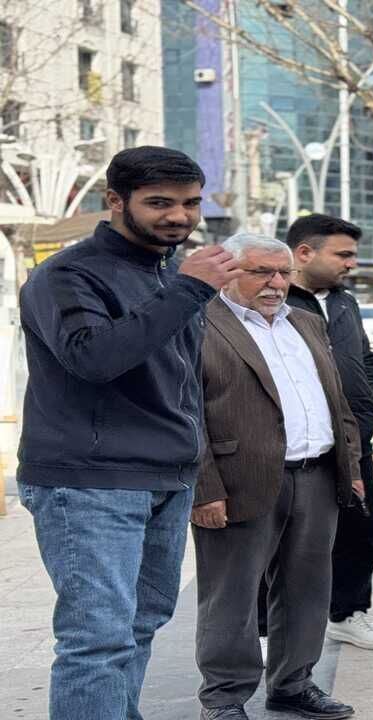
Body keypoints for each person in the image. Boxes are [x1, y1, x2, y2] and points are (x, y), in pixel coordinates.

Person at [17, 147, 240, 720]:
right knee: (97, 638)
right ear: (115, 201)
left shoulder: (166, 272)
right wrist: (189, 289)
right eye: (160, 203)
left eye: (190, 203)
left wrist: (198, 466)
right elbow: (93, 359)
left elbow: (184, 381)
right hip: (90, 480)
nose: (180, 216)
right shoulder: (67, 274)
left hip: (166, 476)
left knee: (140, 625)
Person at [191, 234, 363, 720]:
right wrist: (205, 489)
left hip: (317, 475)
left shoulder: (306, 322)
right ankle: (224, 697)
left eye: (283, 273)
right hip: (238, 480)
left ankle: (293, 685)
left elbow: (336, 399)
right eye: (261, 272)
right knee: (231, 595)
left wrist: (349, 466)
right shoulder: (199, 323)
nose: (275, 283)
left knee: (308, 588)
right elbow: (186, 414)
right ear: (230, 272)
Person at [283, 214, 373, 651]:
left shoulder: (345, 301)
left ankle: (347, 614)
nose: (352, 263)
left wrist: (371, 402)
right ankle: (264, 628)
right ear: (304, 252)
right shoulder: (275, 298)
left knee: (362, 533)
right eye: (343, 254)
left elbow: (365, 357)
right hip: (296, 444)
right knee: (282, 539)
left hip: (353, 442)